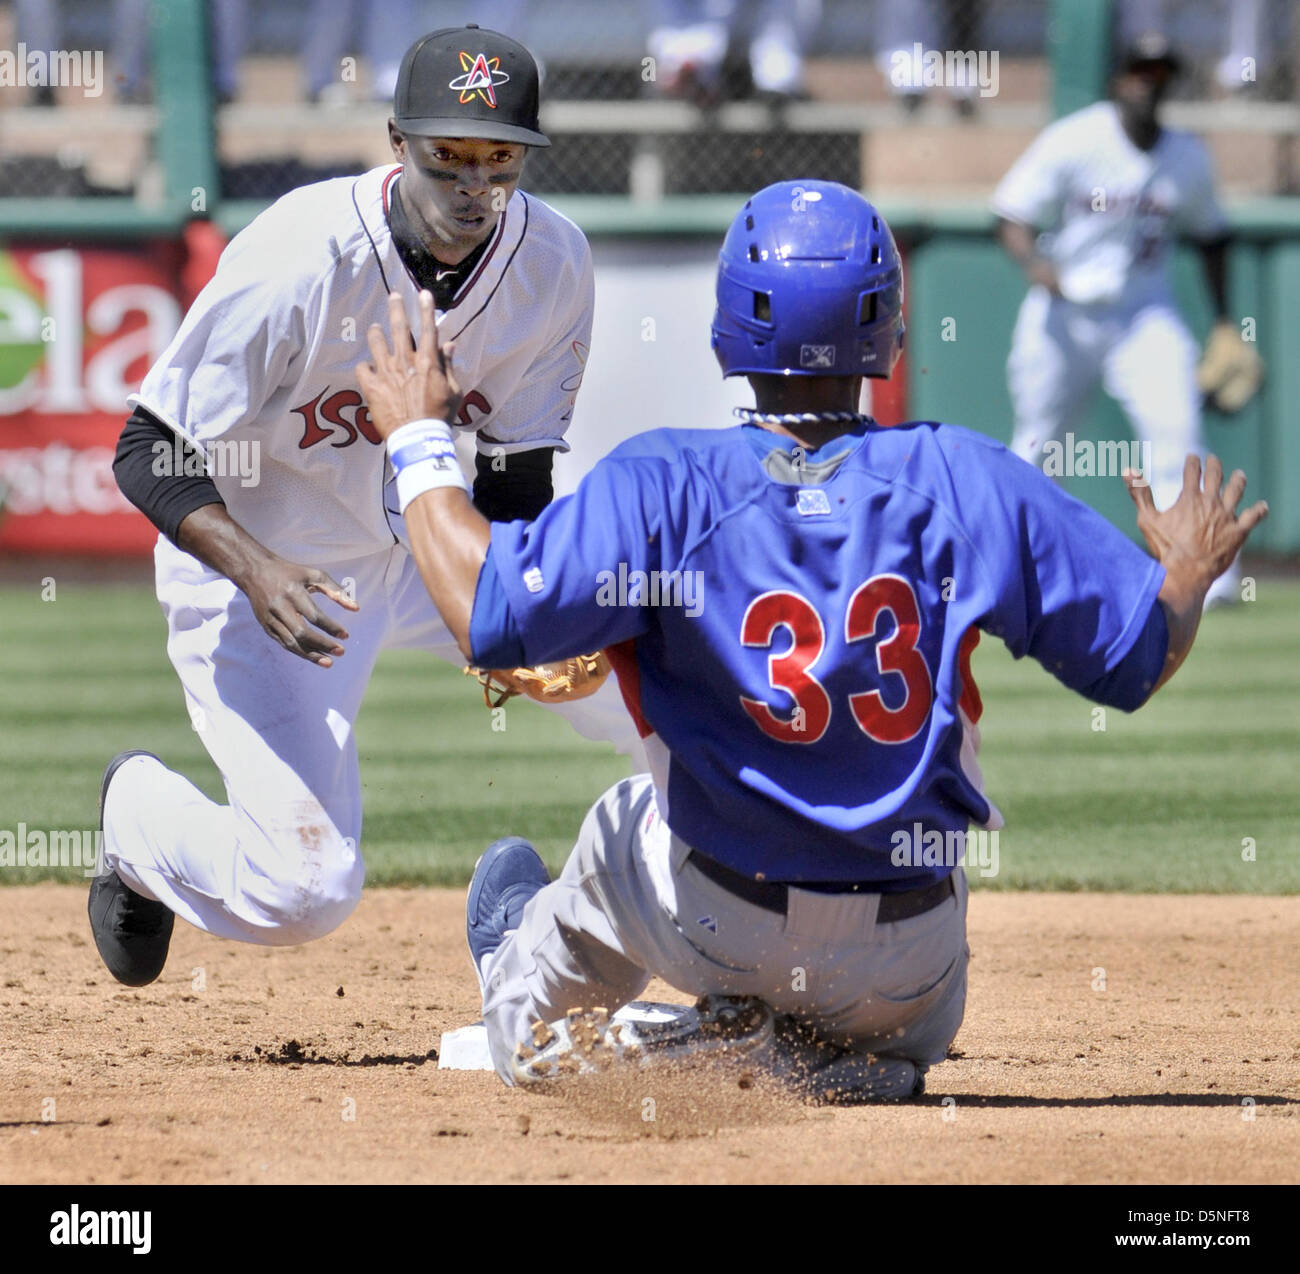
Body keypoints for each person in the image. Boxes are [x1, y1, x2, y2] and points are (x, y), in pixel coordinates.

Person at [357, 180, 1266, 1101]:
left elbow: (482, 609)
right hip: (910, 973)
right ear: (889, 333)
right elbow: (1137, 660)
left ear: (729, 329)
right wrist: (1185, 584)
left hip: (721, 922)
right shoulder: (964, 477)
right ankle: (835, 1063)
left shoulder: (666, 484)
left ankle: (578, 1006)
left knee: (615, 833)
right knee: (880, 956)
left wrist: (420, 437)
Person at [92, 25, 638, 987]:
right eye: (448, 158)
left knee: (655, 692)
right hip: (271, 574)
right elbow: (149, 447)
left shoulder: (552, 265)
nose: (474, 185)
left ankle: (657, 930)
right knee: (304, 890)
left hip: (427, 552)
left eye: (499, 159)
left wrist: (514, 610)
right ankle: (138, 821)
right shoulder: (299, 257)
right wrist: (255, 570)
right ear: (397, 142)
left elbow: (513, 478)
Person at [993, 33, 1260, 610]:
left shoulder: (1187, 155)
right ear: (1118, 79)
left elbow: (1214, 235)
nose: (1150, 81)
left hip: (1144, 313)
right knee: (1040, 444)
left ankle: (1205, 577)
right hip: (1066, 310)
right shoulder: (1075, 139)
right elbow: (1011, 211)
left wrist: (1222, 323)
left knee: (1179, 436)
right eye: (1141, 70)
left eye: (1161, 71)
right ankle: (1006, 569)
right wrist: (1039, 268)